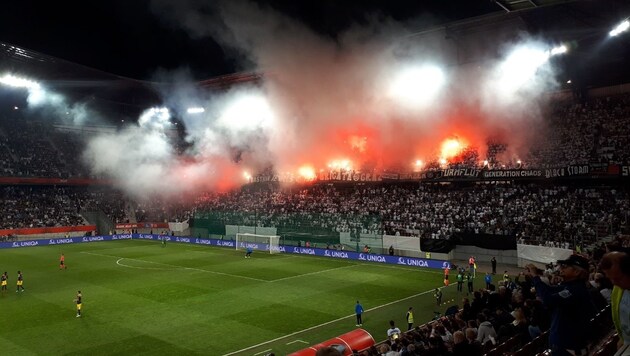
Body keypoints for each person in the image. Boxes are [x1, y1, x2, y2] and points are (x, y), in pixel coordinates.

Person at [526, 254, 595, 356]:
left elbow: (548, 299)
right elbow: (550, 290)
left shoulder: (575, 290)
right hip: (565, 347)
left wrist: (536, 277)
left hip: (567, 350)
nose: (561, 268)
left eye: (565, 267)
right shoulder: (572, 287)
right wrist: (536, 275)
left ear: (577, 272)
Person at [599, 250, 630, 356]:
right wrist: (623, 338)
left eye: (618, 278)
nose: (614, 282)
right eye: (610, 278)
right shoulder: (618, 288)